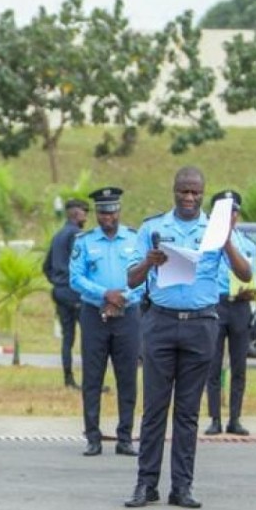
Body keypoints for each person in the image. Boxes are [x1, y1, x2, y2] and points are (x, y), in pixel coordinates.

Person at [124, 171, 251, 509]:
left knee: (188, 412)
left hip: (200, 325)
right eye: (184, 191)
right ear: (174, 190)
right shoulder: (153, 228)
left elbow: (245, 273)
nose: (189, 198)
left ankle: (182, 487)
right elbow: (131, 279)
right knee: (154, 409)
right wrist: (149, 262)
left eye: (196, 192)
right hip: (161, 323)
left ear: (203, 194)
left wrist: (224, 240)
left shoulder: (214, 229)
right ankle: (145, 484)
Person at [68, 186, 142, 457]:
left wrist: (123, 297)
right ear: (96, 214)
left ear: (119, 210)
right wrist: (105, 295)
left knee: (127, 377)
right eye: (101, 211)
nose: (107, 216)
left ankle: (125, 437)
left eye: (111, 211)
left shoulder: (134, 239)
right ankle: (93, 437)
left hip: (128, 315)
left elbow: (145, 278)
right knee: (93, 377)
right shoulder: (84, 241)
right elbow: (75, 278)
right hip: (94, 315)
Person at [204, 190, 256, 436]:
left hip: (239, 305)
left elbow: (252, 276)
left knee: (239, 365)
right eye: (226, 212)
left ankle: (234, 418)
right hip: (215, 304)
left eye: (234, 211)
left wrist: (251, 290)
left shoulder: (246, 242)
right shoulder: (205, 240)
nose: (231, 216)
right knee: (213, 365)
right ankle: (215, 418)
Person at [43, 197, 90, 389]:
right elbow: (84, 265)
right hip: (76, 293)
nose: (86, 216)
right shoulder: (78, 235)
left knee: (67, 338)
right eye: (84, 211)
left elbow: (46, 266)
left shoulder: (58, 235)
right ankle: (90, 381)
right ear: (75, 213)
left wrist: (57, 282)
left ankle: (68, 379)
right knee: (90, 337)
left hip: (60, 292)